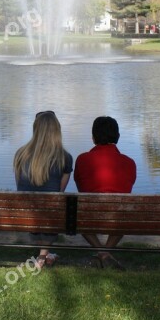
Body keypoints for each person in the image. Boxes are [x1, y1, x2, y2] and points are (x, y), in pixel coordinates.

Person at [74, 116, 137, 269]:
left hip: (89, 216)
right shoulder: (129, 163)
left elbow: (81, 188)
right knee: (124, 212)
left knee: (77, 213)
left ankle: (101, 252)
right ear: (118, 137)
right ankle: (106, 252)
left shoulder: (82, 159)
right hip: (119, 219)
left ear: (93, 137)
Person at [13, 111, 73, 269]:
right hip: (49, 215)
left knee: (42, 203)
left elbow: (20, 186)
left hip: (25, 214)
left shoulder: (20, 154)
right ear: (57, 130)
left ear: (35, 129)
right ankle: (42, 256)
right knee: (53, 204)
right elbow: (59, 192)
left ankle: (44, 253)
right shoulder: (65, 157)